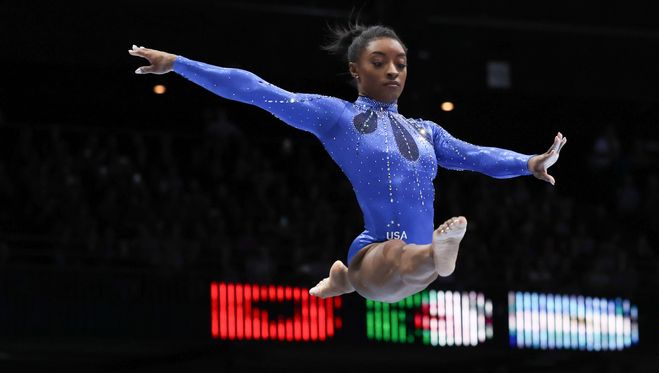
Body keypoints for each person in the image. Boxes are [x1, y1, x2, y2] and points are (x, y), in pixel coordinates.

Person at [128, 24, 565, 302]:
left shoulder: (427, 132)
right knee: (399, 255)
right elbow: (257, 90)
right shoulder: (336, 116)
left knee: (414, 263)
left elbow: (475, 155)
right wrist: (179, 64)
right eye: (379, 62)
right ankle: (411, 261)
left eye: (401, 64)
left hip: (410, 264)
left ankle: (364, 274)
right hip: (376, 252)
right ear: (356, 70)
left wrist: (528, 162)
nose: (393, 71)